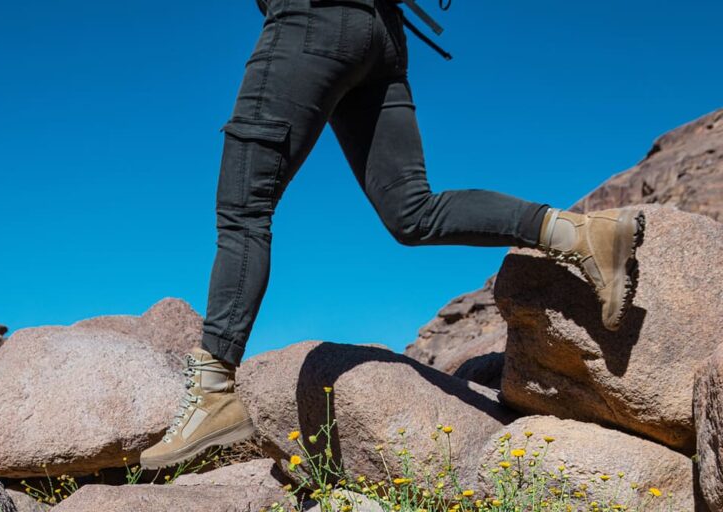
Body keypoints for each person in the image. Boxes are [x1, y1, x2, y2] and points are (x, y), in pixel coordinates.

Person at [139, 0, 645, 470]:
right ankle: (581, 234)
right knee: (411, 211)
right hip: (380, 37)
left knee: (243, 211)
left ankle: (212, 390)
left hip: (308, 21)